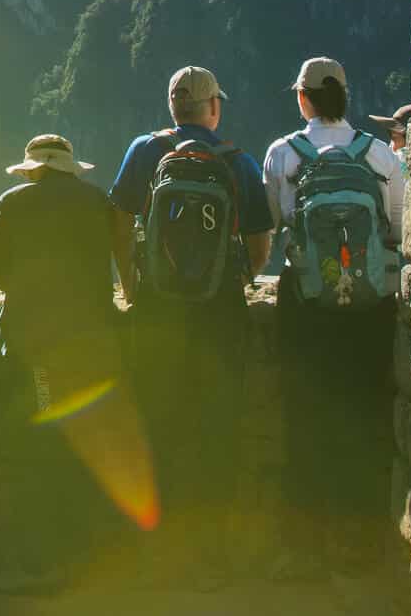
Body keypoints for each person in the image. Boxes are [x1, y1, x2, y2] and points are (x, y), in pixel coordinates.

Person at [109, 67, 273, 588]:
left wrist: (131, 279)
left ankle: (155, 557)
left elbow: (117, 217)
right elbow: (260, 243)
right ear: (213, 109)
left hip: (158, 312)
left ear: (173, 107)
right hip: (219, 314)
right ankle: (211, 557)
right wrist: (239, 279)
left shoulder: (145, 151)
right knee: (217, 430)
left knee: (158, 425)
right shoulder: (237, 162)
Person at [264, 59, 407, 575]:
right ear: (346, 97)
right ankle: (364, 545)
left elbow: (280, 219)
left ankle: (302, 548)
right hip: (370, 306)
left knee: (304, 415)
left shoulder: (284, 155)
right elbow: (395, 228)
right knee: (366, 413)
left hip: (306, 305)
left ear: (303, 99)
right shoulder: (381, 157)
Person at [0, 134, 137, 594]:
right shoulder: (99, 202)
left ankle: (43, 564)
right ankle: (89, 557)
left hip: (38, 347)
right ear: (70, 168)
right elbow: (121, 263)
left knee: (44, 447)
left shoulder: (13, 203)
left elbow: (0, 274)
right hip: (92, 346)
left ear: (33, 168)